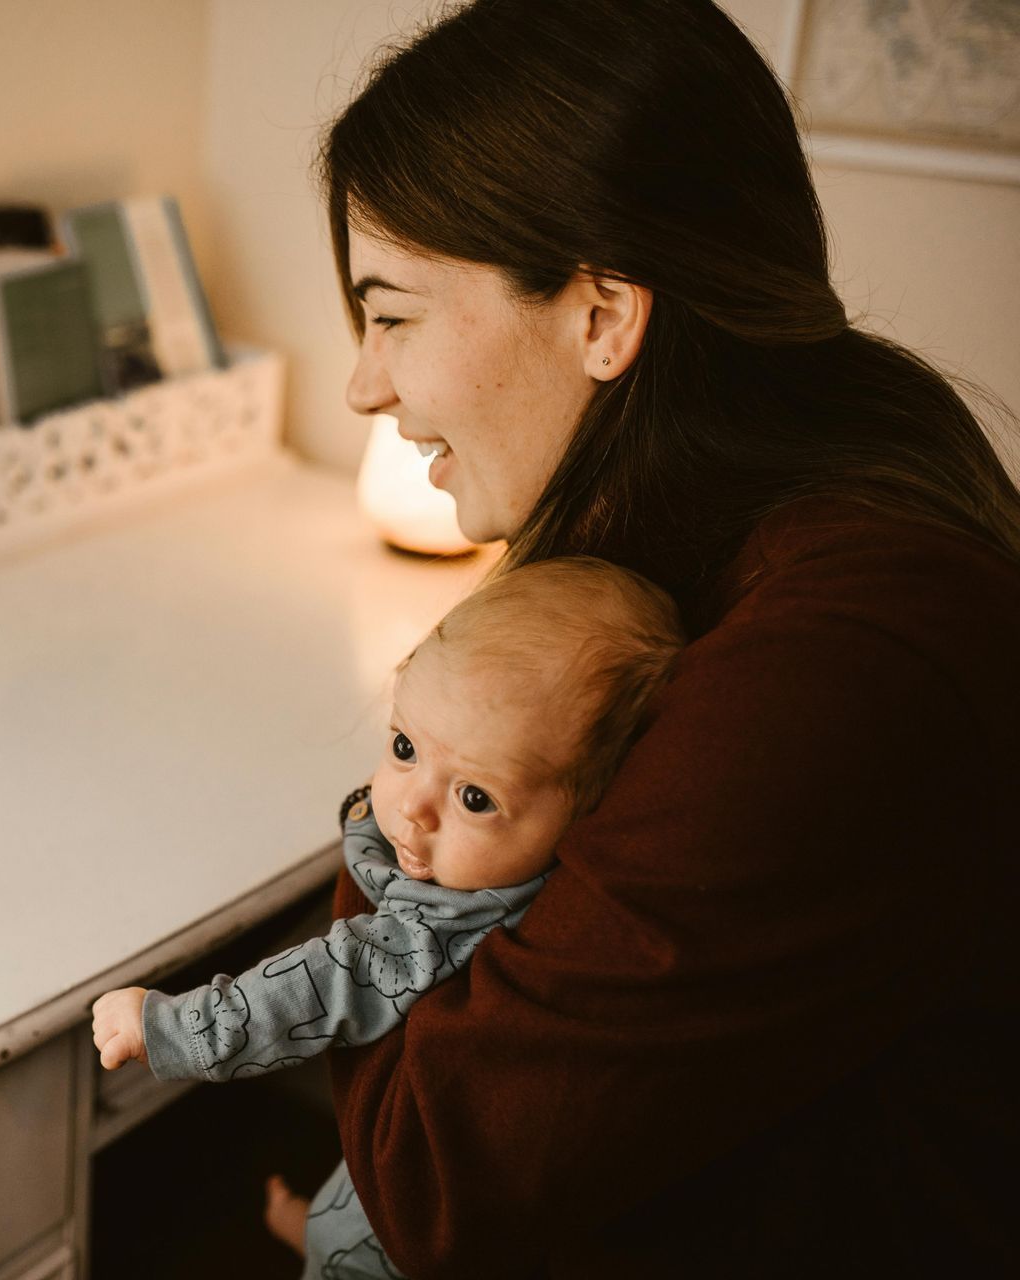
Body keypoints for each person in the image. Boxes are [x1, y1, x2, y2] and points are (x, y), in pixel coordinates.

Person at [298, 0, 1020, 1274]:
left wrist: (410, 784)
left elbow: (429, 1170)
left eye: (395, 314)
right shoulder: (756, 514)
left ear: (603, 315)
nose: (366, 382)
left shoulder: (838, 657)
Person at [92, 557, 685, 1278]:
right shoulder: (500, 869)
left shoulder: (439, 927)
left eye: (475, 798)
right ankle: (315, 1231)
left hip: (404, 1250)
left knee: (357, 1244)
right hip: (406, 1177)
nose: (411, 806)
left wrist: (171, 1027)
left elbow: (316, 989)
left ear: (590, 814)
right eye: (404, 747)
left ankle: (323, 1253)